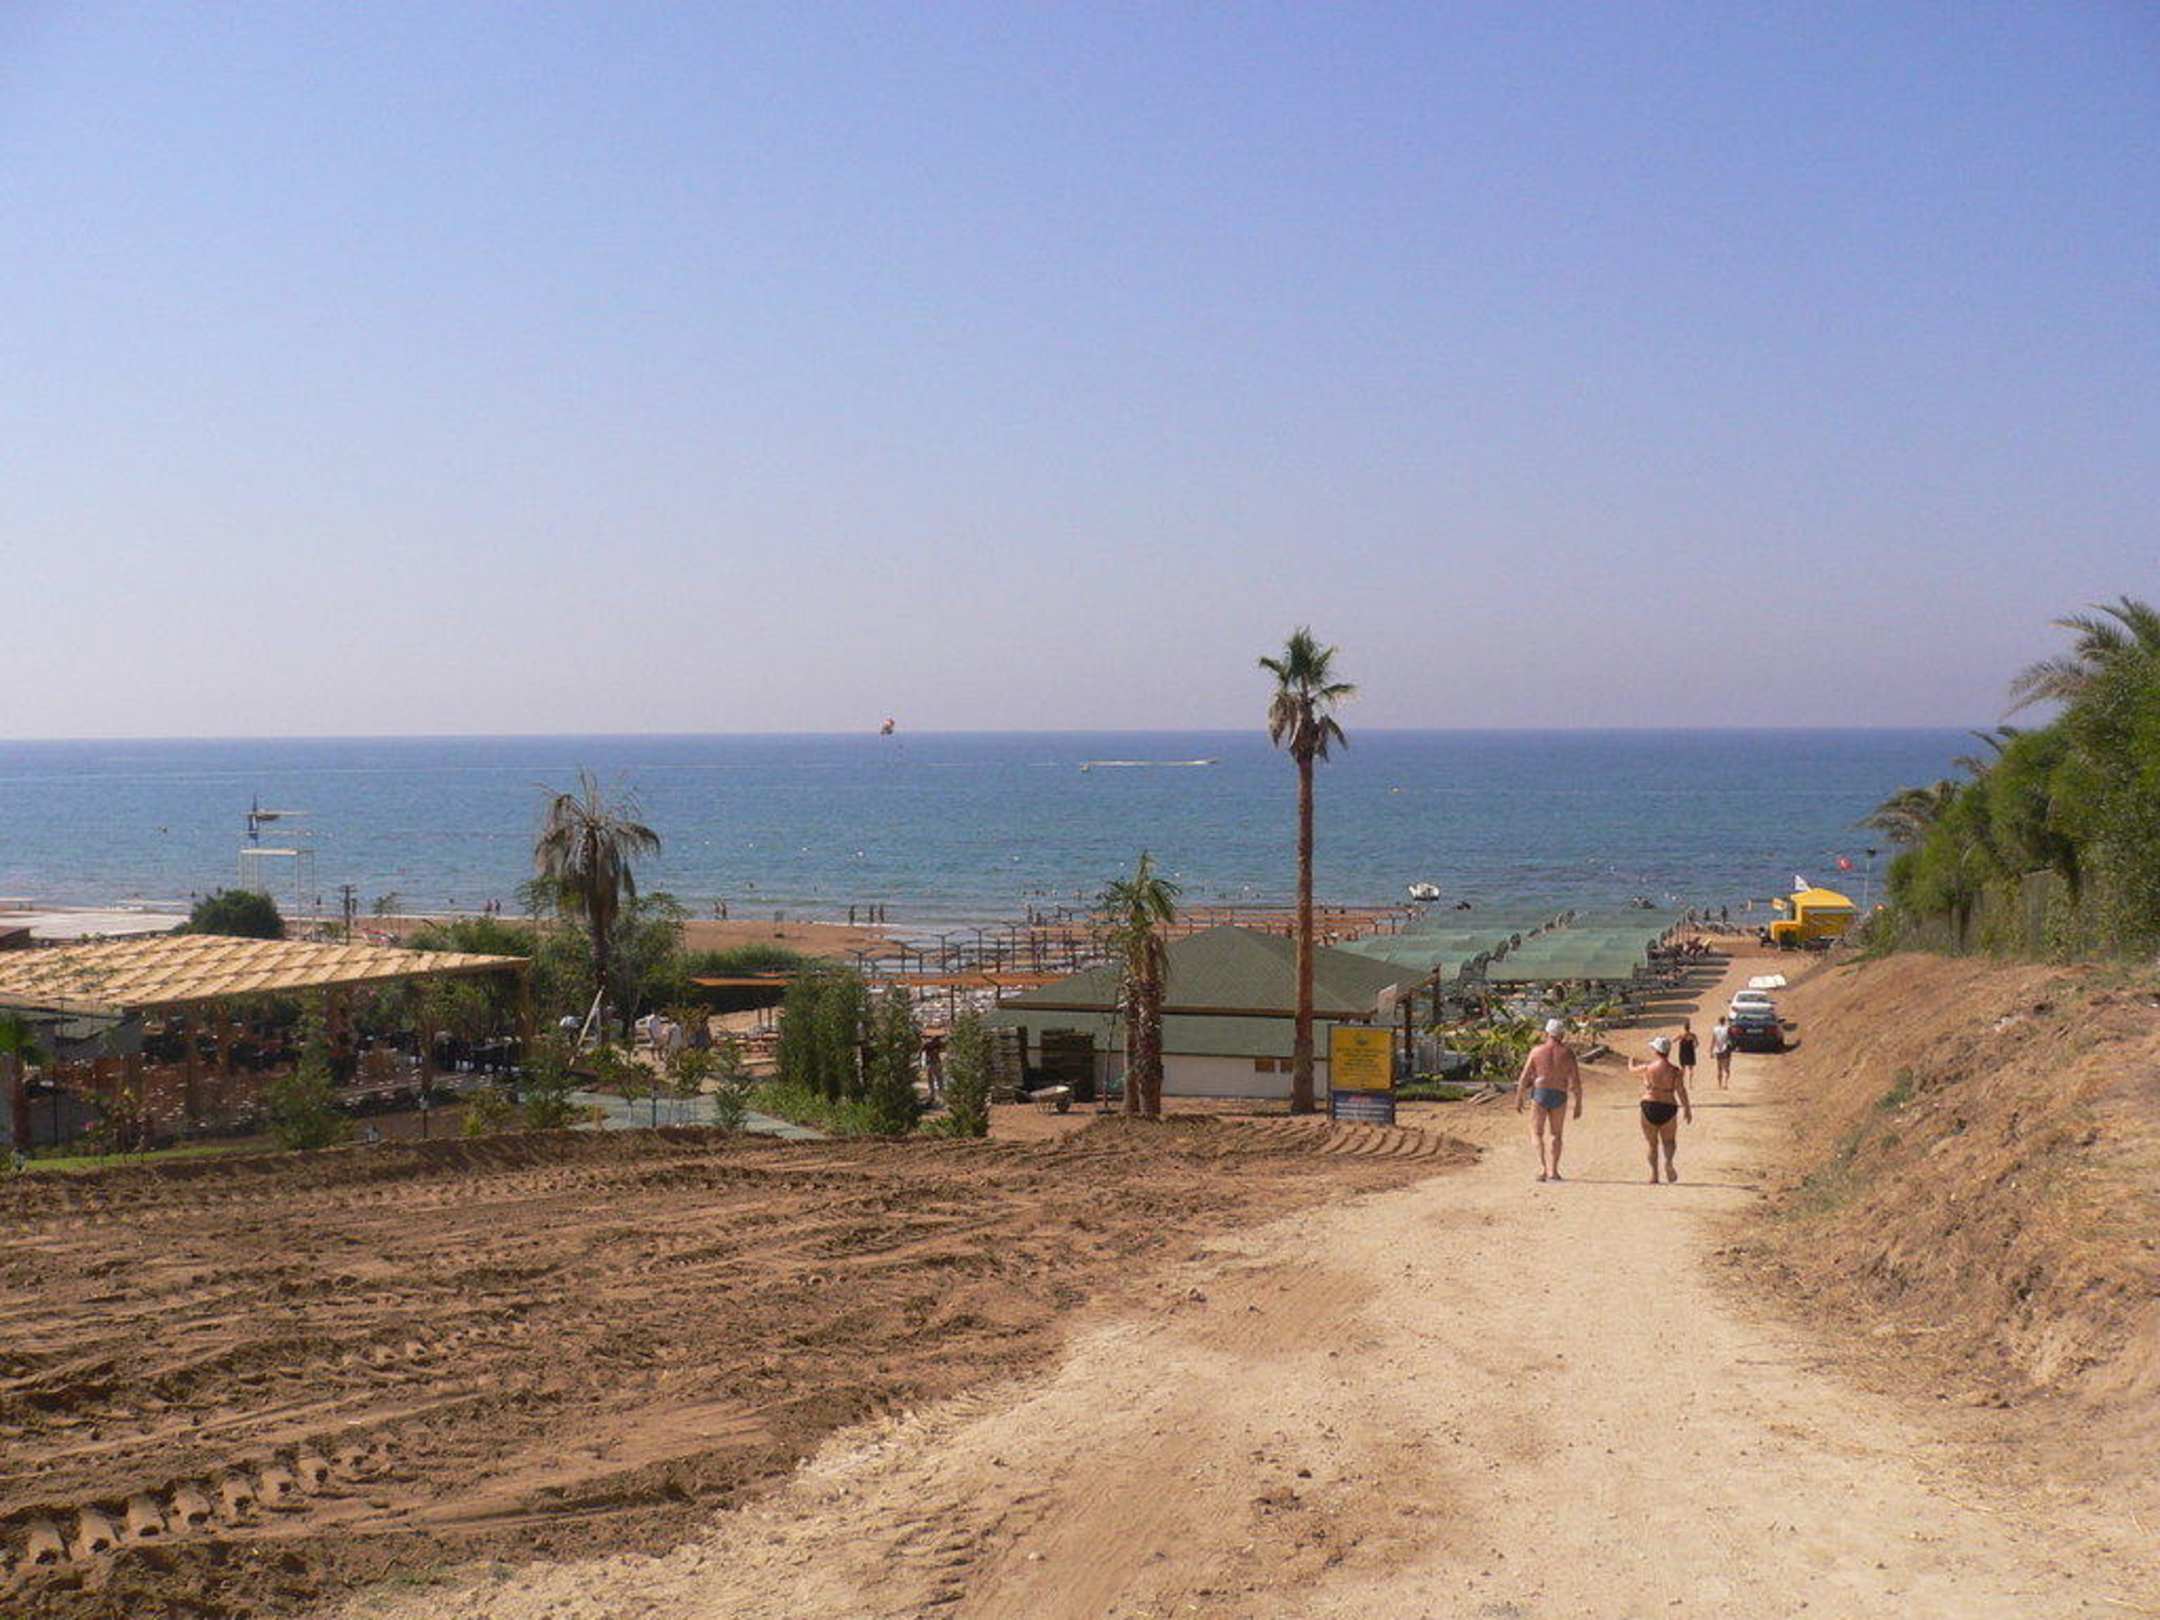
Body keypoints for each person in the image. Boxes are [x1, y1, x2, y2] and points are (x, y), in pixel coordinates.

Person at [1515, 1018, 1583, 1183]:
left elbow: (1524, 1076)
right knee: (1556, 1134)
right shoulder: (1568, 1053)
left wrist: (1519, 1097)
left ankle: (1542, 1167)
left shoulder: (1537, 1051)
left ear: (1547, 1033)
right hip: (1559, 1093)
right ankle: (1554, 1171)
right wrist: (1578, 1103)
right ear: (1562, 1034)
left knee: (1536, 1132)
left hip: (1541, 1092)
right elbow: (1575, 1081)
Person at [1629, 1035, 1693, 1184]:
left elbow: (1632, 1070)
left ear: (1656, 1051)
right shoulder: (1675, 1071)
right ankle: (1668, 1162)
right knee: (1669, 1141)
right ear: (1668, 1051)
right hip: (1668, 1106)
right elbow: (1681, 1090)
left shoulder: (1648, 1068)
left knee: (1652, 1144)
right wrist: (1687, 1109)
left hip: (1649, 1105)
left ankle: (1654, 1174)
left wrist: (1631, 1061)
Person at [1675, 1019, 1699, 1088]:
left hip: (1683, 1052)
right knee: (1691, 1069)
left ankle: (1682, 1083)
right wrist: (1694, 1047)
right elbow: (1697, 1043)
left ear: (1684, 1027)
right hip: (1690, 1052)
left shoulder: (1681, 1035)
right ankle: (1690, 1084)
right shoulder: (1693, 1035)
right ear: (1689, 1027)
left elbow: (1674, 1040)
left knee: (1683, 1069)